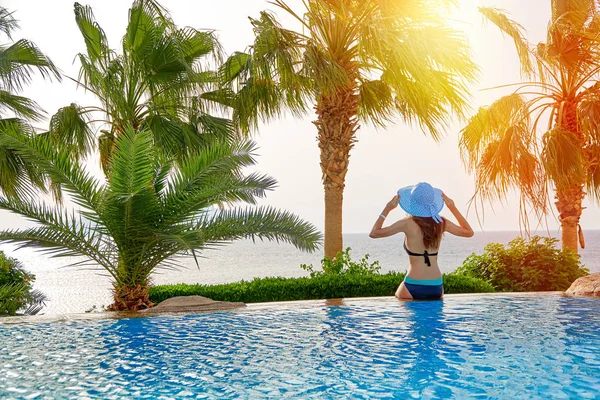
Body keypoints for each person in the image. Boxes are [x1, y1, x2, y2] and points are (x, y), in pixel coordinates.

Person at [369, 182, 474, 300]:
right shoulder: (440, 223)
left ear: (412, 202)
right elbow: (469, 232)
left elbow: (374, 233)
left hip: (413, 284)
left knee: (401, 306)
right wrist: (452, 207)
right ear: (433, 201)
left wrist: (387, 209)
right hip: (436, 286)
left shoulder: (406, 223)